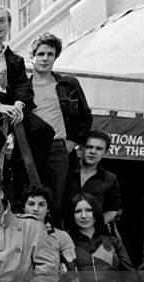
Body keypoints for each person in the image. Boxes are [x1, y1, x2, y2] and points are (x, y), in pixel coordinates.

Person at [0, 6, 54, 186]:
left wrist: (19, 106)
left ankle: (21, 175)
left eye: (2, 21)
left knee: (44, 131)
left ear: (9, 24)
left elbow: (23, 86)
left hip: (11, 108)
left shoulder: (16, 59)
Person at [29, 32, 92, 223]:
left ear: (55, 57)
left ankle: (55, 241)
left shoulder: (68, 84)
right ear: (32, 57)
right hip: (30, 150)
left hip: (58, 149)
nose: (45, 58)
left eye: (50, 54)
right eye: (41, 54)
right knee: (32, 199)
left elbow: (85, 117)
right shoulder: (23, 87)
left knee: (57, 200)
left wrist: (71, 143)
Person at [64, 129, 121, 226]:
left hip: (89, 236)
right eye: (89, 147)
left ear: (106, 152)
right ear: (81, 148)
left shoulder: (110, 179)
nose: (93, 152)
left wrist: (94, 225)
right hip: (60, 231)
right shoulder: (66, 170)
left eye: (99, 149)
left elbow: (112, 209)